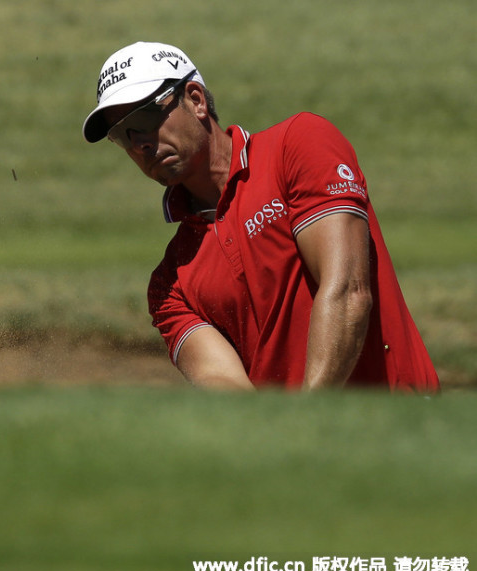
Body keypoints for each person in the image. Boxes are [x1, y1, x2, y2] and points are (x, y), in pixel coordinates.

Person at [82, 42, 439, 392]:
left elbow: (348, 292)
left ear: (195, 100)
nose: (138, 143)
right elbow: (224, 385)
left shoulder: (298, 145)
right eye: (121, 134)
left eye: (144, 117)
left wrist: (305, 421)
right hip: (304, 449)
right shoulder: (169, 286)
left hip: (406, 433)